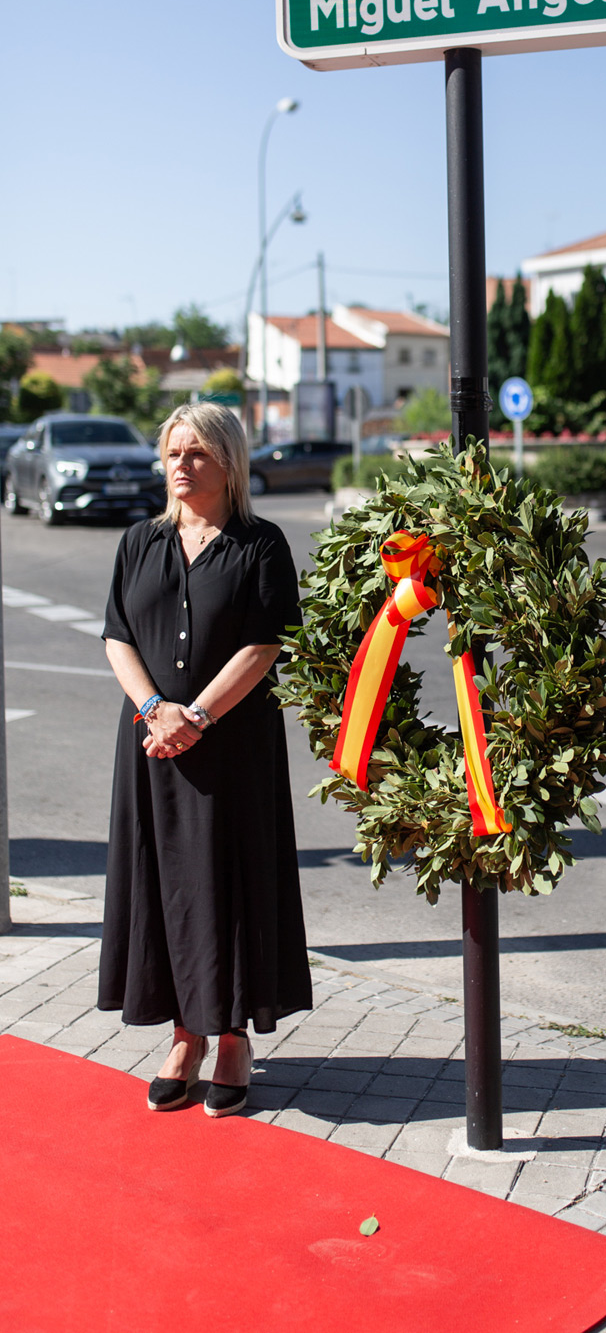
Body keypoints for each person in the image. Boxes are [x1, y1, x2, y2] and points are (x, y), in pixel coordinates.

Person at [99, 403, 312, 1116]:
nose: (182, 465)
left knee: (228, 886)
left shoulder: (261, 543)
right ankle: (183, 1038)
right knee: (166, 888)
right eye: (173, 453)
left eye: (196, 453)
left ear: (229, 461)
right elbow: (117, 635)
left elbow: (266, 642)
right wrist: (154, 710)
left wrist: (196, 716)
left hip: (233, 749)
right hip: (151, 746)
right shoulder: (139, 541)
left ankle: (231, 1039)